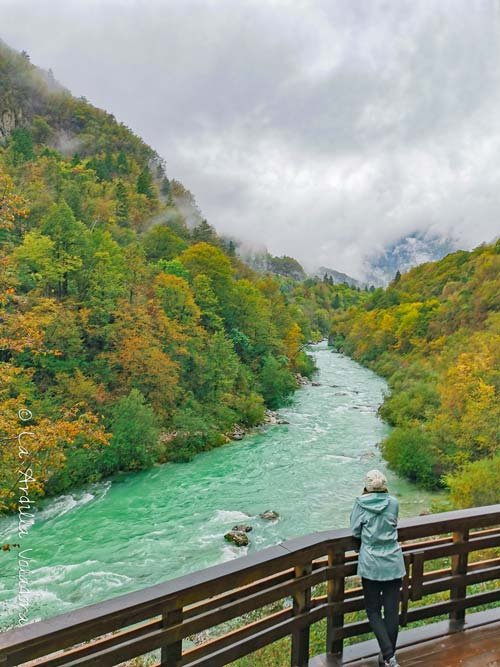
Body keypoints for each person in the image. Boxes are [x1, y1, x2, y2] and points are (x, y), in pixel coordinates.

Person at [350, 469, 406, 667]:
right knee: (392, 612)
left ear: (366, 486)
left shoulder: (360, 503)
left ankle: (389, 656)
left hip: (371, 562)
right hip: (393, 560)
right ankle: (388, 659)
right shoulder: (394, 503)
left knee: (373, 610)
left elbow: (354, 530)